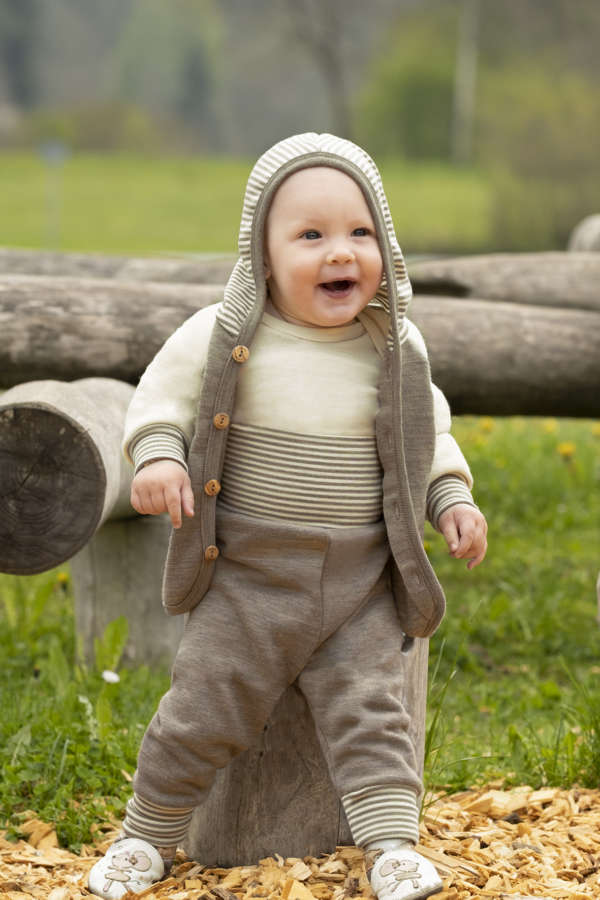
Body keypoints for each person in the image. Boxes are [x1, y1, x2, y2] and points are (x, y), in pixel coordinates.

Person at [88, 133, 487, 900]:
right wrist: (162, 456)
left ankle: (392, 846)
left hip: (359, 582)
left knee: (373, 710)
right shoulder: (225, 334)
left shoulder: (394, 346)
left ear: (387, 246)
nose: (341, 252)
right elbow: (162, 399)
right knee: (202, 704)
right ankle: (148, 832)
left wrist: (452, 498)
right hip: (248, 574)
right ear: (262, 254)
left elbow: (427, 437)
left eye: (360, 232)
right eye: (311, 235)